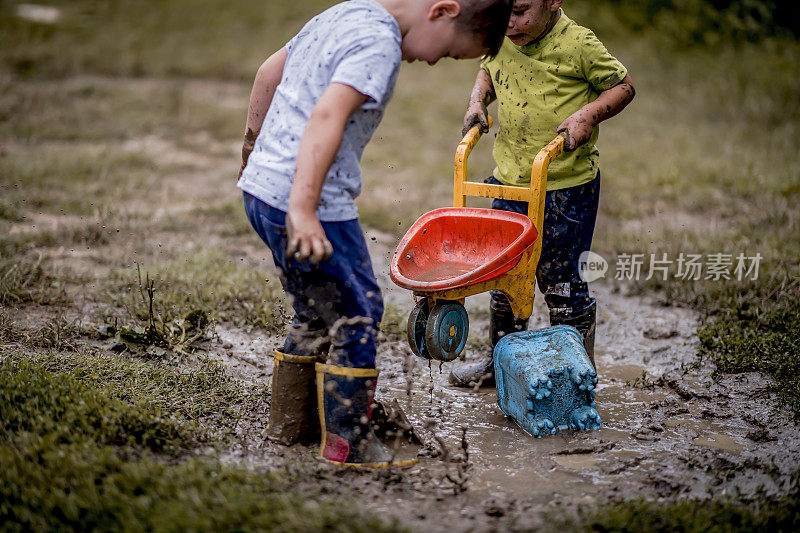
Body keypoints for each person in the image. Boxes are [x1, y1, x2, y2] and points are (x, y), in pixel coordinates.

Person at [237, 0, 513, 467]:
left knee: (314, 308)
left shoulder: (344, 12)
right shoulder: (380, 44)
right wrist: (303, 208)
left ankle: (290, 423)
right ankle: (349, 444)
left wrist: (251, 145)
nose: (430, 62)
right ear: (442, 11)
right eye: (446, 53)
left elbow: (269, 71)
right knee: (359, 311)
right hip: (311, 204)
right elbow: (328, 116)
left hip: (263, 190)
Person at [449, 0, 635, 388]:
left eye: (519, 10)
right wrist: (477, 100)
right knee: (504, 278)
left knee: (560, 282)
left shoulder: (578, 44)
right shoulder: (502, 35)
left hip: (565, 187)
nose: (510, 21)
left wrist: (586, 116)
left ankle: (575, 375)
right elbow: (488, 69)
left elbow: (623, 86)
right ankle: (501, 364)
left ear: (554, 1)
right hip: (510, 181)